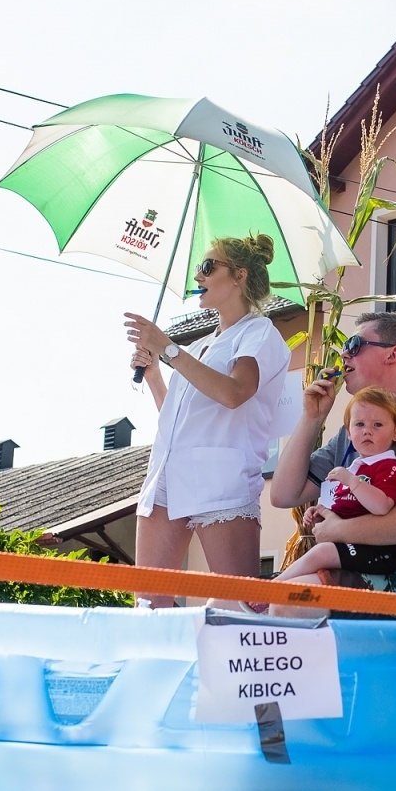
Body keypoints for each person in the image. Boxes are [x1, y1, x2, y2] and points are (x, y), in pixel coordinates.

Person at [125, 234, 290, 609]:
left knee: (241, 606)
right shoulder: (199, 345)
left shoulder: (259, 332)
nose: (198, 276)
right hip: (168, 474)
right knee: (148, 606)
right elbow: (179, 420)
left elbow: (234, 393)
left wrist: (168, 349)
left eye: (208, 266)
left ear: (238, 276)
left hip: (221, 479)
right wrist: (154, 374)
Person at [270, 312, 396, 602]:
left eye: (354, 344)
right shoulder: (352, 434)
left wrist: (340, 530)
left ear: (392, 354)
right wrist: (312, 418)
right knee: (282, 600)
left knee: (292, 602)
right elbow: (284, 494)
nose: (344, 354)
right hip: (361, 566)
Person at [265, 386, 396, 592]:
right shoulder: (354, 467)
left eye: (377, 424)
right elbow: (341, 506)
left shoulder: (388, 466)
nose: (367, 430)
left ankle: (269, 588)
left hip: (379, 550)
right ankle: (275, 586)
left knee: (321, 553)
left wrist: (352, 482)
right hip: (352, 546)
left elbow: (382, 506)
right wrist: (320, 511)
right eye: (359, 424)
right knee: (317, 560)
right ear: (349, 433)